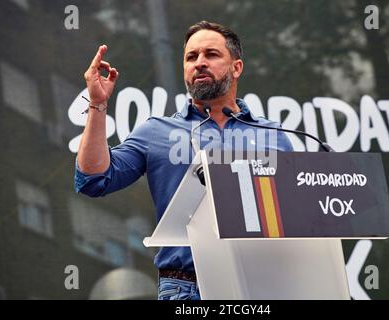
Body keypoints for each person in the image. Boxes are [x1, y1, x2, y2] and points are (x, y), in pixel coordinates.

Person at [75, 21, 293, 300]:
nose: (200, 63)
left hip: (262, 285)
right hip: (185, 288)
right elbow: (93, 179)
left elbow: (298, 218)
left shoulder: (273, 136)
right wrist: (97, 104)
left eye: (211, 55)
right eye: (191, 57)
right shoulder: (156, 132)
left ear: (237, 67)